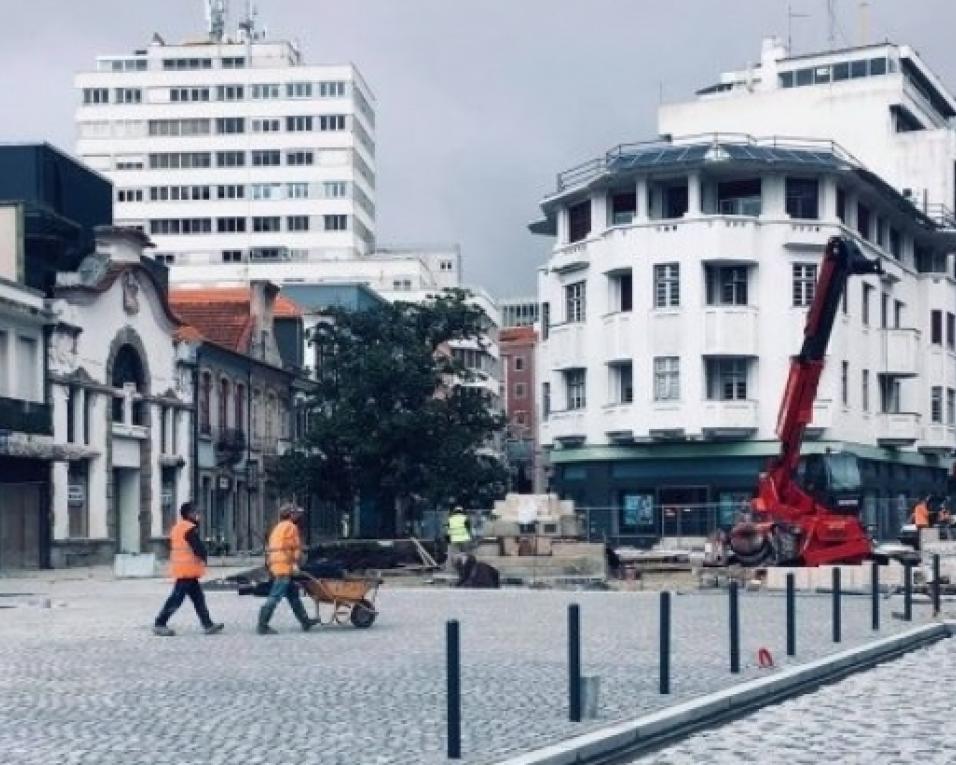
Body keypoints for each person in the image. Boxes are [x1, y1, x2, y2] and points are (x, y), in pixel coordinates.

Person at [153, 502, 224, 637]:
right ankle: (160, 623)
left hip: (185, 569)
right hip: (186, 570)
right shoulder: (189, 528)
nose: (199, 516)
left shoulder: (178, 527)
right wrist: (205, 555)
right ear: (189, 514)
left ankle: (208, 624)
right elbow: (197, 548)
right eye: (196, 513)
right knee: (176, 599)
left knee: (198, 598)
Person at [257, 505, 319, 635]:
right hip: (284, 565)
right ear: (290, 515)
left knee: (293, 595)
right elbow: (293, 547)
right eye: (295, 514)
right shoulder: (291, 527)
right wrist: (296, 562)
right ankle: (262, 625)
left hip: (276, 564)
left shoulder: (278, 527)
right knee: (275, 596)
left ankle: (305, 621)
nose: (298, 516)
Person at [445, 506, 472, 571]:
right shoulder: (465, 518)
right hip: (464, 539)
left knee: (454, 554)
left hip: (453, 539)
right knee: (465, 554)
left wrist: (448, 540)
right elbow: (469, 529)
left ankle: (452, 569)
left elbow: (447, 530)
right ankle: (466, 567)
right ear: (462, 512)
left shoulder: (450, 519)